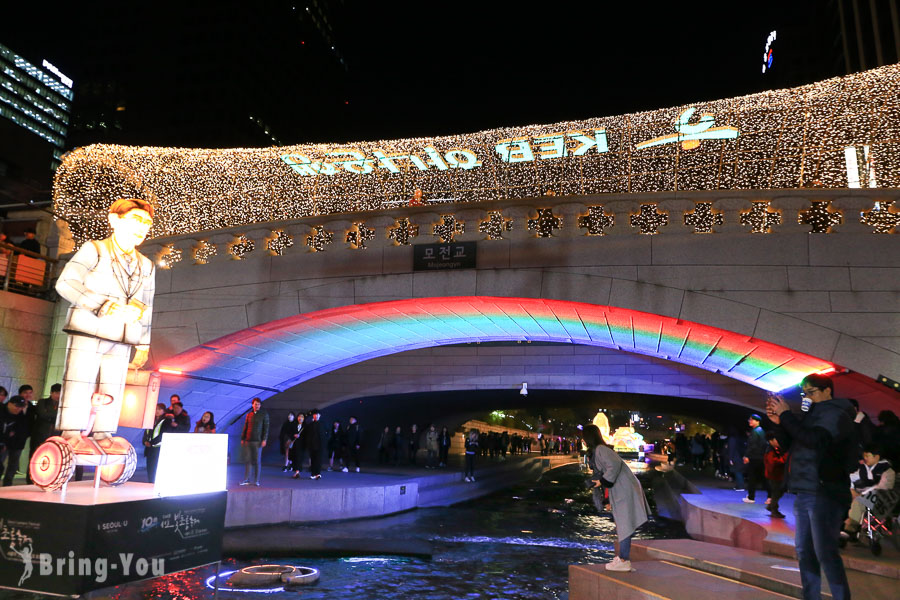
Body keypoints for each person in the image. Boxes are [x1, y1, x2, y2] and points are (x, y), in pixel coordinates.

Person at [52, 198, 155, 457]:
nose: (142, 227)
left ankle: (104, 434)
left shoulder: (147, 264)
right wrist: (100, 303)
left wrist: (143, 342)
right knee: (80, 379)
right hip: (89, 327)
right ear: (114, 220)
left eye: (147, 222)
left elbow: (148, 304)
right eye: (136, 219)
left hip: (123, 335)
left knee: (113, 385)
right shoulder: (95, 249)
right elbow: (66, 283)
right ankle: (72, 434)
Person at [767, 374, 853, 600]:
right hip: (805, 490)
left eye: (811, 392)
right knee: (805, 552)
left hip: (824, 490)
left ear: (827, 391)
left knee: (825, 552)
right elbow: (793, 445)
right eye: (805, 393)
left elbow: (814, 440)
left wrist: (786, 415)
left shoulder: (835, 413)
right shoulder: (812, 414)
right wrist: (780, 424)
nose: (808, 397)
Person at [582, 424, 649, 572]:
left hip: (624, 488)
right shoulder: (599, 450)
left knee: (624, 524)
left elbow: (614, 465)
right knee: (623, 524)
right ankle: (623, 558)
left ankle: (624, 560)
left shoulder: (601, 449)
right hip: (620, 489)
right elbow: (608, 472)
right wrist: (606, 499)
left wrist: (602, 482)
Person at [842, 444, 897, 540]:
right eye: (864, 456)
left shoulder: (887, 471)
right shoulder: (864, 469)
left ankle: (850, 528)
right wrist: (852, 489)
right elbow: (850, 478)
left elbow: (882, 487)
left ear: (877, 457)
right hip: (864, 495)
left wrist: (862, 494)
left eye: (868, 456)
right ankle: (845, 525)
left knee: (859, 502)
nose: (865, 458)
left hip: (880, 499)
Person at [0, 396, 30, 486]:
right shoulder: (2, 411)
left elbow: (24, 430)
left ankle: (7, 484)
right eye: (16, 406)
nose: (18, 409)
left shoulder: (22, 415)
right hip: (3, 443)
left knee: (13, 465)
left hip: (17, 444)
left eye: (21, 407)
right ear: (9, 404)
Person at [240, 397, 269, 486]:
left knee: (256, 461)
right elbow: (245, 427)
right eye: (255, 404)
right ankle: (246, 479)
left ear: (260, 405)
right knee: (248, 460)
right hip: (248, 440)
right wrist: (243, 438)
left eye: (258, 404)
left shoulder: (264, 414)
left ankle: (256, 480)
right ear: (252, 405)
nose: (257, 406)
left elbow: (266, 428)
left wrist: (264, 439)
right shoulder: (249, 415)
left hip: (258, 441)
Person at [742, 414, 767, 504]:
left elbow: (752, 445)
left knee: (752, 478)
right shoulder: (761, 431)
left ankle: (751, 497)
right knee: (764, 477)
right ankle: (770, 497)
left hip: (754, 457)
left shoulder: (755, 431)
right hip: (761, 457)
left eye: (752, 420)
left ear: (757, 421)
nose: (750, 421)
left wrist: (747, 456)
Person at [763, 431, 788, 518]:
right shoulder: (770, 450)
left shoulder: (775, 449)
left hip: (777, 475)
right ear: (771, 440)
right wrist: (784, 458)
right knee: (776, 493)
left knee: (778, 492)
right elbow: (772, 463)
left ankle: (771, 507)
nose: (778, 442)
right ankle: (774, 509)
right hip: (773, 475)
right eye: (777, 440)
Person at [142, 403, 167, 483]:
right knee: (149, 467)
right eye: (156, 409)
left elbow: (162, 434)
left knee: (155, 467)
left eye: (159, 409)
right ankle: (150, 482)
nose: (157, 411)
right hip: (149, 449)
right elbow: (146, 432)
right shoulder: (151, 420)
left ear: (163, 410)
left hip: (158, 448)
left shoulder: (166, 421)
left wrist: (152, 443)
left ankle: (154, 483)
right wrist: (145, 441)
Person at [305, 409, 322, 480]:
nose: (316, 416)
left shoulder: (323, 424)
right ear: (313, 416)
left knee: (318, 459)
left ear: (320, 416)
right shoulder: (310, 425)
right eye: (315, 414)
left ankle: (318, 473)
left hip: (320, 445)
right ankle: (313, 473)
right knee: (313, 459)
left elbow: (326, 434)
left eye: (317, 414)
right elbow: (307, 434)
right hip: (312, 445)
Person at [290, 412, 307, 478]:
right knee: (295, 458)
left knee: (299, 458)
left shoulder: (305, 426)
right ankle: (296, 471)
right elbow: (289, 433)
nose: (300, 418)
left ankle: (297, 471)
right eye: (299, 417)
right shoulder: (294, 425)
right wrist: (294, 435)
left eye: (302, 417)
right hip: (295, 444)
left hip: (302, 444)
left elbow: (307, 435)